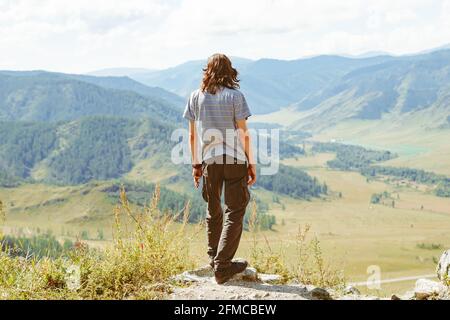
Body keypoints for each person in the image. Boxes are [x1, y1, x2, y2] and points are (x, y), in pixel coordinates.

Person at [183, 53, 257, 284]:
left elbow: (193, 135)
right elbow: (243, 133)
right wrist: (251, 163)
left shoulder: (196, 97)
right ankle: (223, 266)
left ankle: (214, 257)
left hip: (210, 160)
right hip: (235, 159)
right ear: (230, 71)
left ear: (207, 70)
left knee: (213, 208)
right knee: (235, 211)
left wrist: (196, 164)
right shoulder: (236, 96)